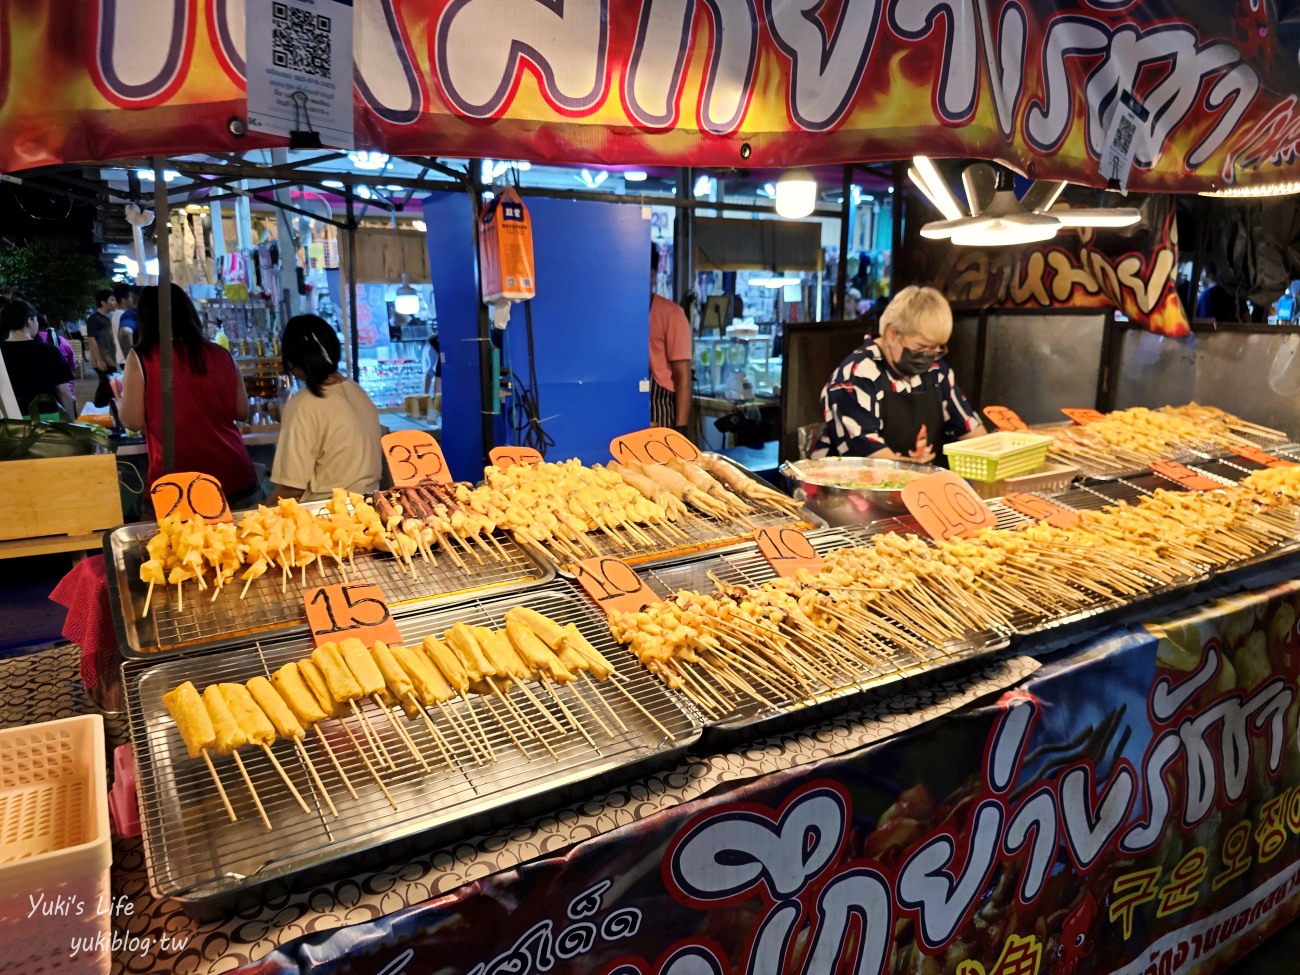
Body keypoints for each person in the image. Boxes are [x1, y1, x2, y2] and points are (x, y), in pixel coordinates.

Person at [118, 284, 260, 505]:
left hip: (178, 486)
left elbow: (132, 421)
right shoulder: (221, 355)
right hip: (234, 478)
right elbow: (242, 412)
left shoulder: (142, 358)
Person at [813, 285, 986, 462]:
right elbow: (868, 458)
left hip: (917, 482)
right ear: (891, 334)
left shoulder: (936, 373)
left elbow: (971, 430)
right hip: (851, 484)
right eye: (921, 348)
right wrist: (914, 468)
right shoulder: (856, 376)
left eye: (935, 349)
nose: (928, 357)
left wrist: (996, 452)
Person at [268, 314, 382, 502]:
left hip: (326, 516)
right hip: (368, 506)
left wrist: (259, 513)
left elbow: (291, 489)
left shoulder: (303, 405)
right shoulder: (356, 391)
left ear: (291, 361)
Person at [1, 300, 76, 418]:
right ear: (29, 320)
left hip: (11, 423)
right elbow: (64, 391)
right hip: (48, 420)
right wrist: (72, 422)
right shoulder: (49, 351)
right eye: (36, 319)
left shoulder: (1, 352)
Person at [649, 245, 692, 435]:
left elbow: (683, 376)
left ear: (653, 275)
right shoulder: (620, 311)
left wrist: (680, 428)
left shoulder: (672, 314)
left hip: (661, 404)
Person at [84, 289, 118, 405]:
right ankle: (97, 412)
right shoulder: (94, 319)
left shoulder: (109, 318)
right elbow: (91, 339)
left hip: (110, 359)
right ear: (103, 302)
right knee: (106, 388)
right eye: (112, 300)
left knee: (109, 388)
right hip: (102, 360)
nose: (115, 302)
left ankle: (105, 413)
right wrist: (99, 360)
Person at [36, 313, 77, 403]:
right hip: (67, 393)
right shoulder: (62, 341)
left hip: (43, 397)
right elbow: (72, 366)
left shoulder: (32, 345)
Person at [112, 284, 138, 364]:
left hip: (123, 358)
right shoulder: (123, 315)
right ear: (124, 299)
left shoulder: (118, 314)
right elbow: (125, 333)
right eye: (130, 297)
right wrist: (131, 357)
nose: (132, 300)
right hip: (125, 359)